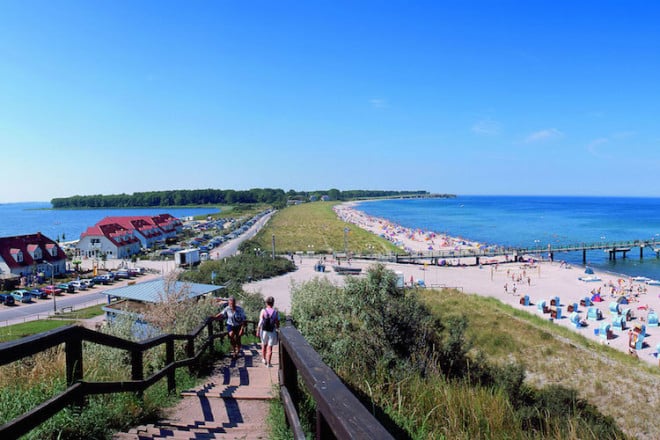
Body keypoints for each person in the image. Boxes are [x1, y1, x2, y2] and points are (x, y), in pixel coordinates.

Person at [256, 296, 280, 368]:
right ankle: (269, 364)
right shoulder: (275, 312)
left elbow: (260, 321)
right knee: (270, 348)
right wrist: (278, 328)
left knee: (264, 345)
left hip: (264, 331)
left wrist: (258, 329)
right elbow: (277, 322)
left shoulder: (263, 311)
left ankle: (264, 359)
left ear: (266, 303)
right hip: (271, 331)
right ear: (273, 303)